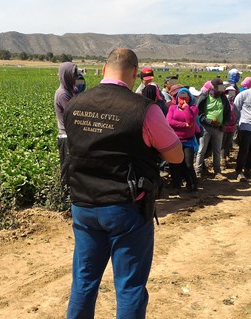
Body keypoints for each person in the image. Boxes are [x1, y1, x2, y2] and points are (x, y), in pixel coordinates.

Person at [64, 48, 183, 318]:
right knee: (129, 287)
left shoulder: (75, 104)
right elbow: (175, 156)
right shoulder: (143, 110)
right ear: (134, 73)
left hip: (83, 203)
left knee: (83, 283)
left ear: (104, 70)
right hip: (125, 207)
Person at [195, 78, 231, 180]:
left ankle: (217, 172)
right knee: (201, 150)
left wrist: (225, 123)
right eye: (218, 87)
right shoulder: (204, 97)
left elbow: (227, 112)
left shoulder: (223, 97)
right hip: (205, 128)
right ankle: (197, 172)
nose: (220, 90)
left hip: (219, 128)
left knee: (217, 151)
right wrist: (210, 121)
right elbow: (199, 114)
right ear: (213, 87)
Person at [167, 88, 200, 192]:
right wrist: (183, 125)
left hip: (188, 141)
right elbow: (169, 121)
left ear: (189, 98)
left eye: (186, 98)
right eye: (181, 98)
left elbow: (190, 121)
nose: (183, 100)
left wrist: (186, 108)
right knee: (174, 163)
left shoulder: (193, 108)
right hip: (175, 140)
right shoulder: (172, 108)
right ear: (177, 98)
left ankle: (192, 185)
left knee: (188, 164)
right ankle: (176, 185)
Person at [55, 62, 79, 200]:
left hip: (70, 136)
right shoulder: (63, 94)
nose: (76, 77)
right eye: (73, 75)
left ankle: (70, 197)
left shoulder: (69, 91)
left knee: (72, 168)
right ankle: (64, 199)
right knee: (67, 169)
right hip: (66, 136)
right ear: (67, 76)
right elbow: (74, 113)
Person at [221, 84, 238, 168]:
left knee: (227, 144)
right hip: (224, 126)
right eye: (229, 92)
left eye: (232, 93)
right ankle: (221, 161)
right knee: (222, 145)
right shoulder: (222, 102)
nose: (231, 95)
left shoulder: (233, 103)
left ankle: (224, 159)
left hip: (232, 127)